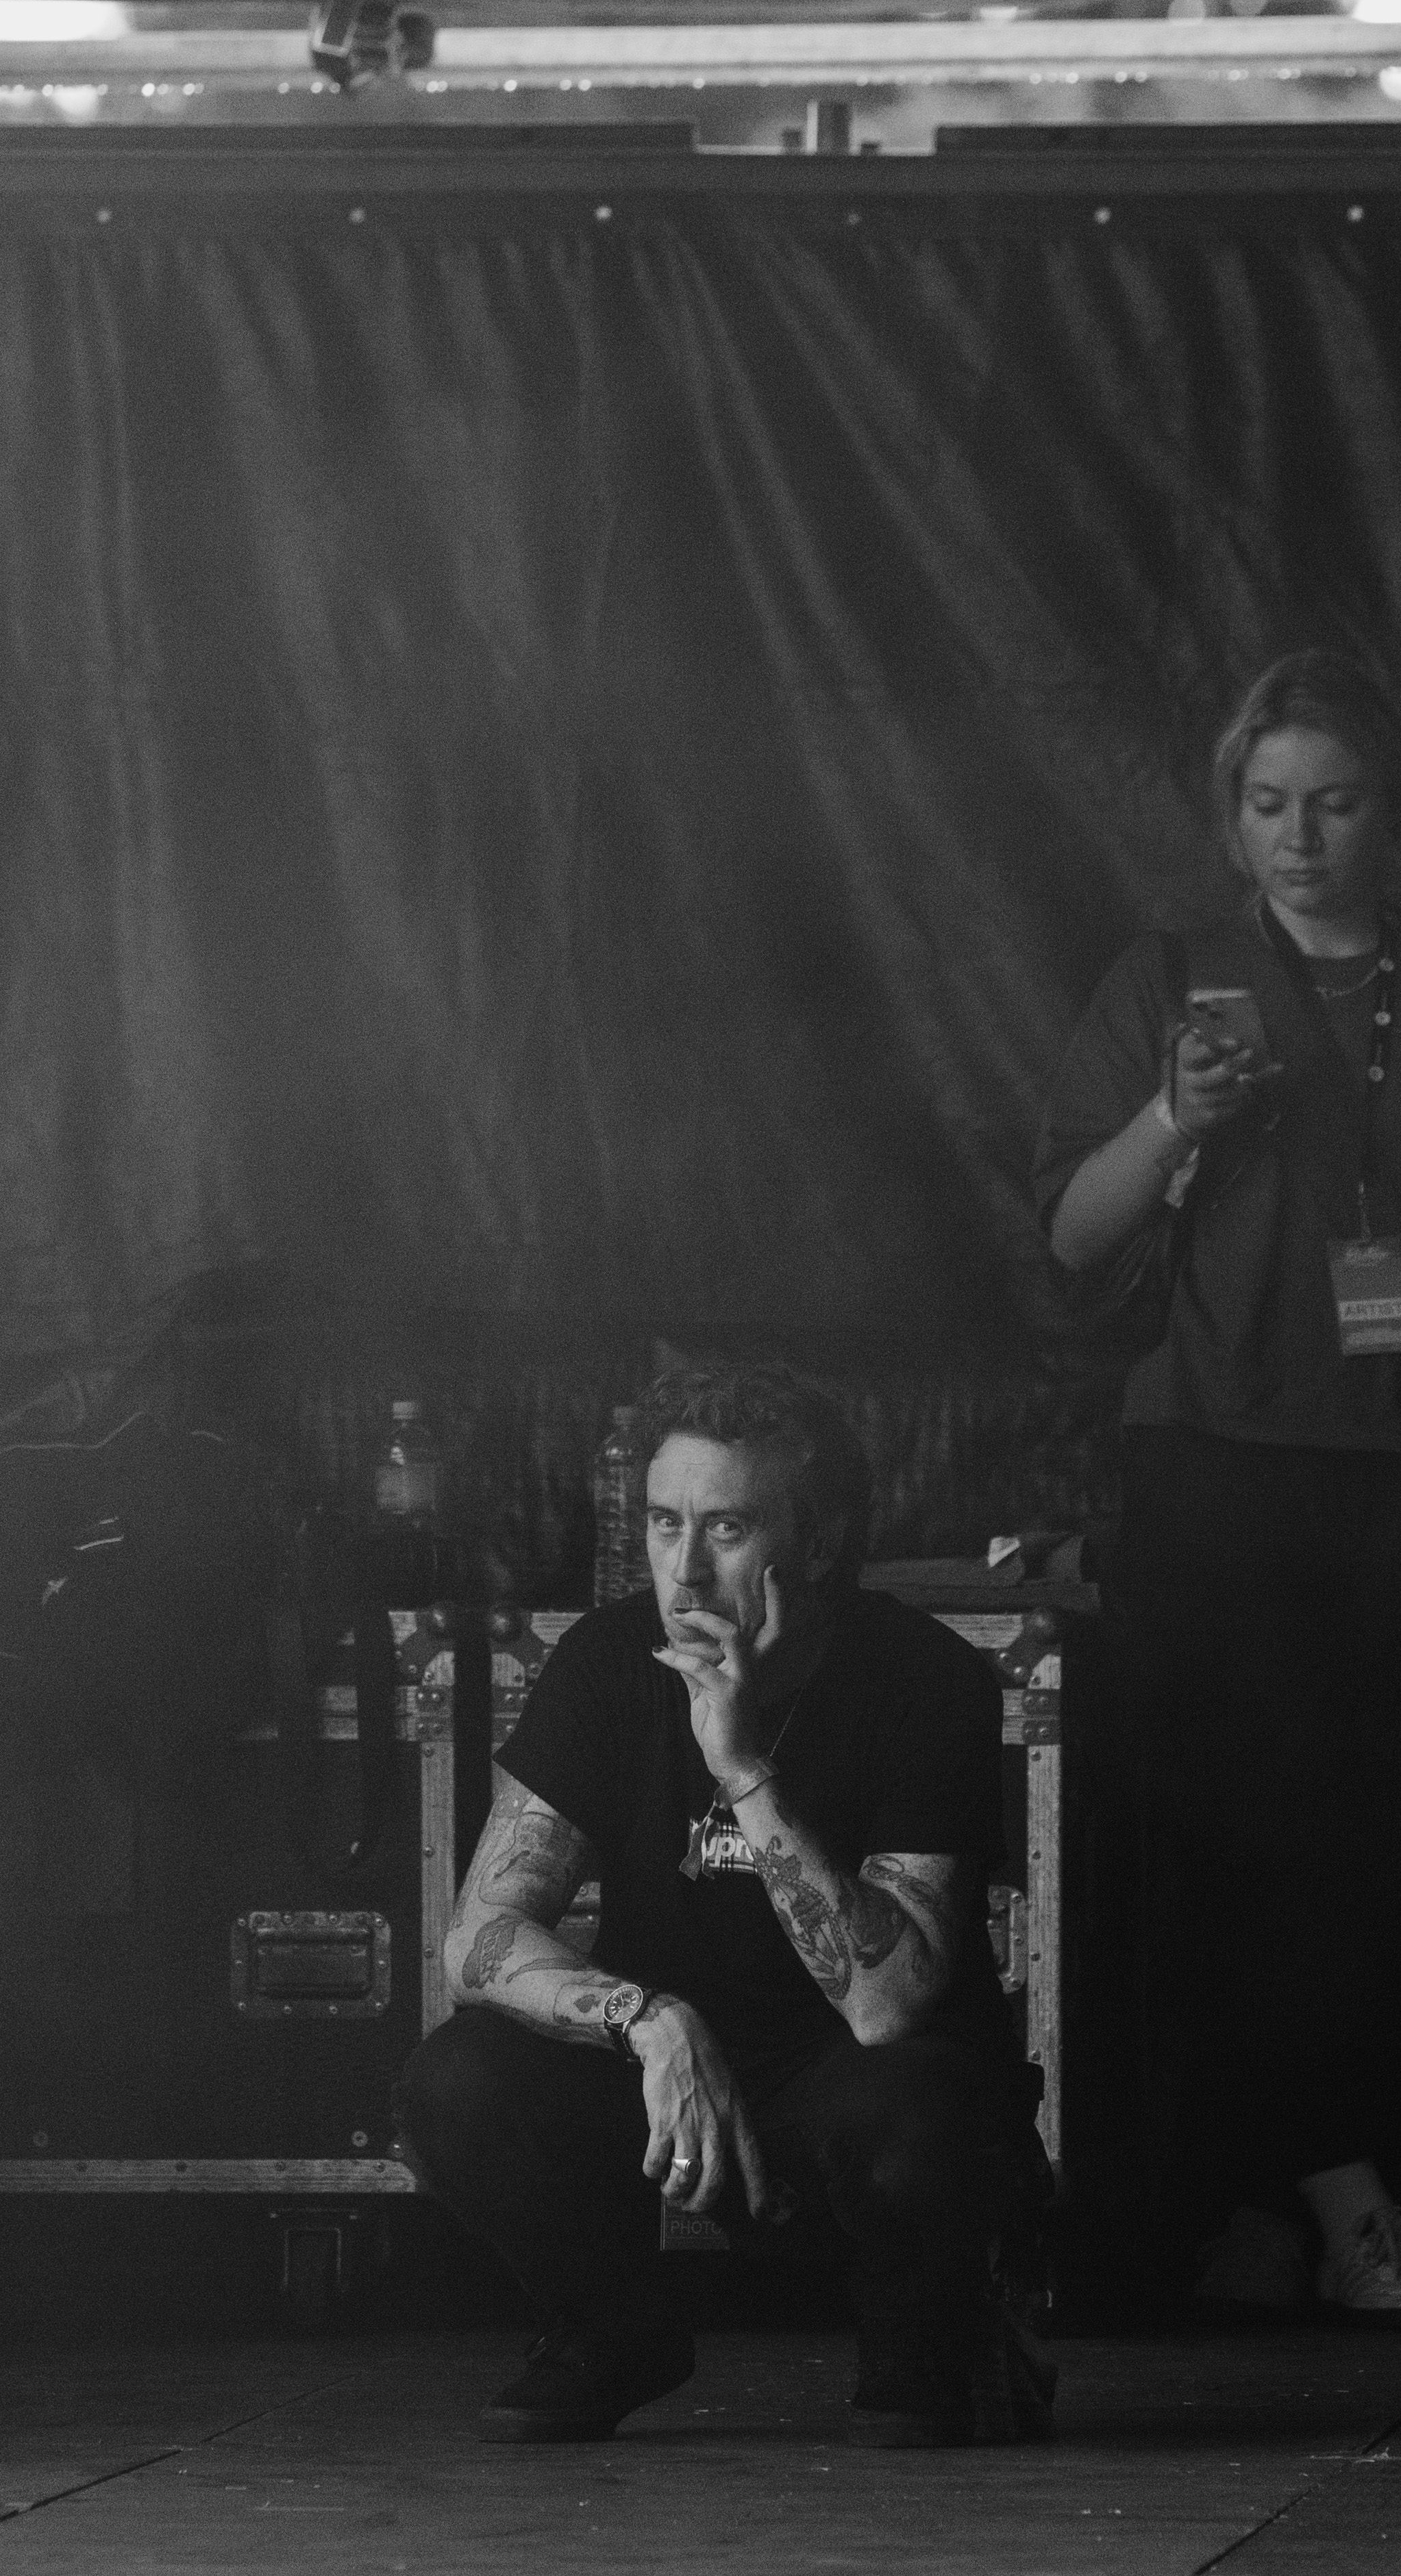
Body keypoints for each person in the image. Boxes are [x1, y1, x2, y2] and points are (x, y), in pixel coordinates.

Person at [396, 1359, 1052, 2447]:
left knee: (910, 2113)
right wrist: (646, 2019)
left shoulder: (921, 1675)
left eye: (729, 1528)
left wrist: (742, 1767)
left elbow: (886, 2002)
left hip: (856, 2088)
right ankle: (612, 2332)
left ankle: (932, 2342)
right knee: (452, 2080)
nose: (685, 1572)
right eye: (663, 1524)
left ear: (822, 1540)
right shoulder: (608, 1661)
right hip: (668, 2075)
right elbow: (476, 1937)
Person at [1036, 647, 1401, 2323]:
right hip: (1222, 1471)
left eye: (1333, 801)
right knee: (1252, 1850)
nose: (1301, 839)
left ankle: (1328, 2199)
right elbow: (1073, 1244)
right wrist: (1169, 1124)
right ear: (1230, 814)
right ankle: (1328, 2199)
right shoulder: (1176, 972)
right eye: (1268, 805)